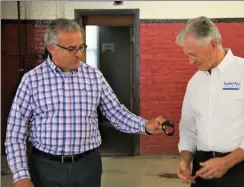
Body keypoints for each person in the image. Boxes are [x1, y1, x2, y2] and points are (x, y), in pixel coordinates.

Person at [5, 18, 167, 187]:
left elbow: (116, 112)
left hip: (88, 167)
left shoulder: (93, 76)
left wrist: (145, 125)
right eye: (71, 49)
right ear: (51, 48)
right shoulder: (31, 81)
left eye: (81, 47)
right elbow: (15, 133)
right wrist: (21, 175)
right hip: (45, 167)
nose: (79, 54)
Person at [175, 16, 244, 187]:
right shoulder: (195, 82)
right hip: (203, 169)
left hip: (242, 169)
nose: (190, 61)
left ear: (213, 44)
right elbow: (189, 128)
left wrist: (227, 162)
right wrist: (185, 159)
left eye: (193, 54)